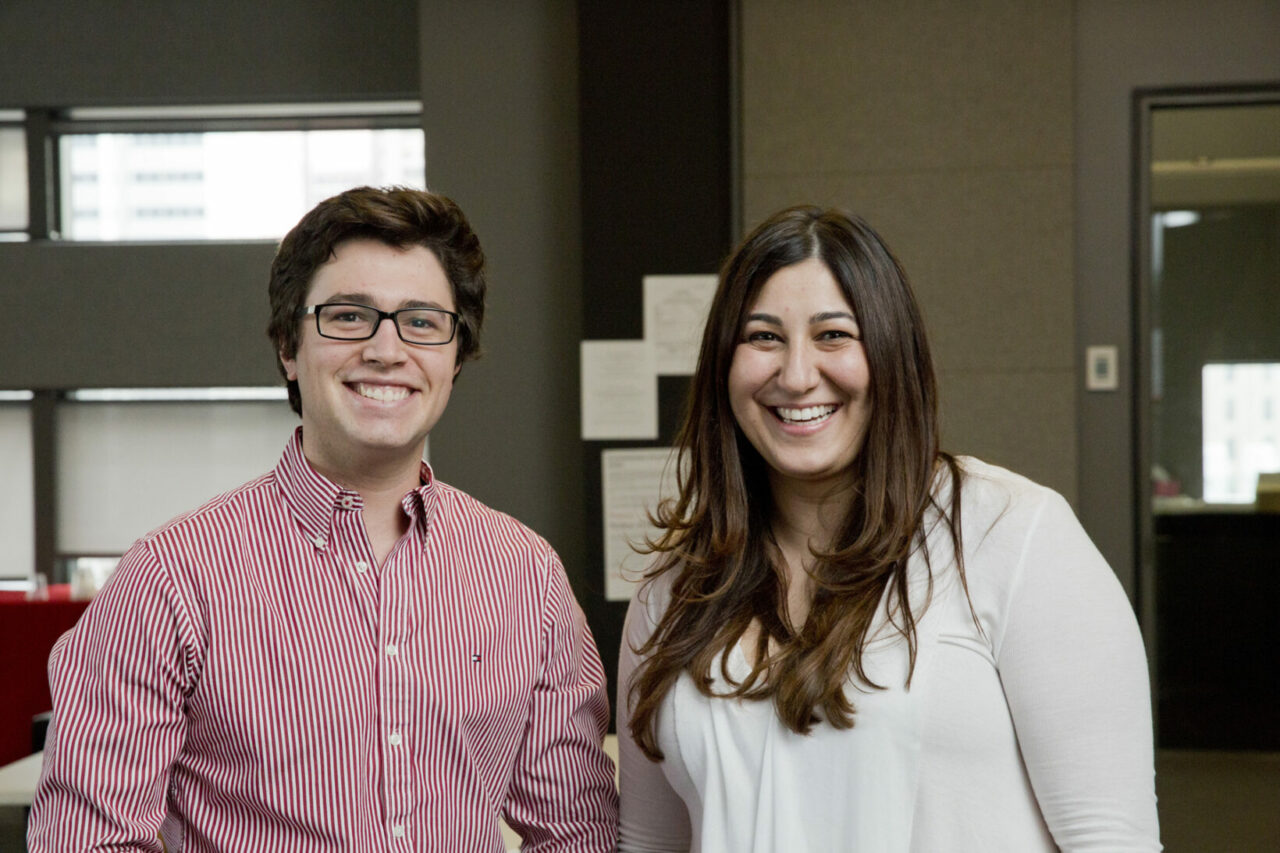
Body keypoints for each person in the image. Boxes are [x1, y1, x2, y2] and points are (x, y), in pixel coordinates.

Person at [29, 186, 619, 852]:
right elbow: (87, 841)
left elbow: (577, 830)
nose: (386, 350)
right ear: (288, 344)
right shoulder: (170, 579)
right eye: (347, 316)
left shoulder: (526, 575)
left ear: (455, 356)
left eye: (422, 321)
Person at [616, 206, 1161, 851]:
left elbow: (1111, 841)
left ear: (891, 354)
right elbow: (648, 844)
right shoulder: (675, 590)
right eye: (762, 337)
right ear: (722, 368)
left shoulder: (1014, 536)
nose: (795, 375)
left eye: (834, 335)